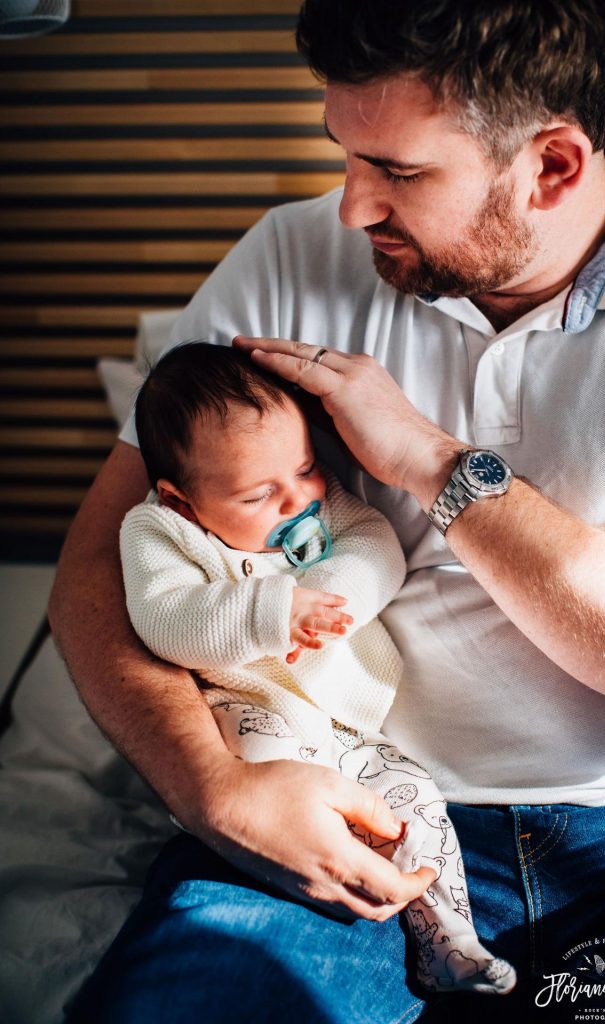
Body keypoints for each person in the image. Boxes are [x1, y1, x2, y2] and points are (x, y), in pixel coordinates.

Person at [52, 1, 605, 1021]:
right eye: (345, 153)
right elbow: (99, 564)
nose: (349, 208)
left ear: (552, 168)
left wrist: (432, 464)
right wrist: (214, 785)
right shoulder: (284, 258)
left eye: (397, 171)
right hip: (324, 795)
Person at [120, 340, 516, 996]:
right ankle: (330, 885)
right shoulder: (160, 532)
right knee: (275, 753)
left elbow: (375, 547)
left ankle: (446, 941)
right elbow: (166, 619)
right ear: (182, 501)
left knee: (416, 800)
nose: (295, 499)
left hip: (353, 730)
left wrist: (333, 598)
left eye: (303, 468)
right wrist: (273, 612)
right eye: (257, 494)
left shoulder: (318, 501)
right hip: (249, 716)